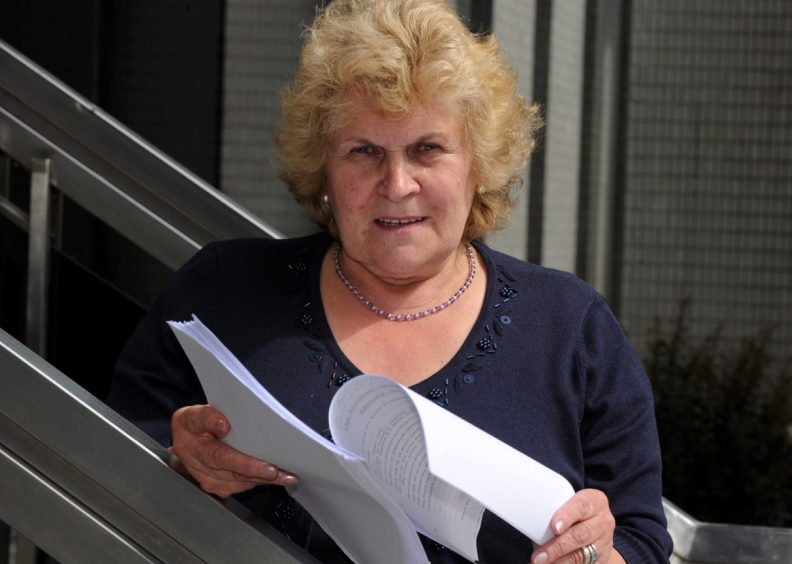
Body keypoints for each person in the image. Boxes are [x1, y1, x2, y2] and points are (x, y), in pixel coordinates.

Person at [107, 0, 673, 562]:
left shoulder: (572, 330)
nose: (397, 183)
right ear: (322, 168)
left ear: (478, 164)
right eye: (364, 151)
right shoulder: (222, 291)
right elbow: (107, 459)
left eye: (427, 148)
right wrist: (179, 458)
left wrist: (598, 554)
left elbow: (641, 539)